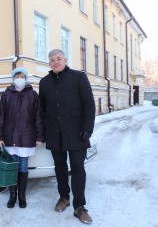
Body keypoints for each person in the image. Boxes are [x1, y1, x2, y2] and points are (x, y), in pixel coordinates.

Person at [39, 49, 95, 224]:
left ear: (65, 60)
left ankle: (79, 206)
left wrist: (87, 128)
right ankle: (64, 197)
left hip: (77, 133)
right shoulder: (44, 82)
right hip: (54, 132)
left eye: (58, 59)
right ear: (49, 63)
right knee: (60, 167)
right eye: (52, 60)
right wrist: (42, 132)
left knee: (78, 168)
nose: (55, 62)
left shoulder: (79, 77)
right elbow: (42, 109)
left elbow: (89, 104)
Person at [0, 67, 44, 208]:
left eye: (22, 77)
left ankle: (22, 196)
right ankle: (12, 196)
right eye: (17, 76)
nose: (20, 79)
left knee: (23, 167)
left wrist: (39, 136)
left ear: (26, 79)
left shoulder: (33, 95)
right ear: (13, 78)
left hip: (27, 138)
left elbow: (38, 117)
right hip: (10, 138)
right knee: (11, 168)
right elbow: (0, 117)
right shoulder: (6, 94)